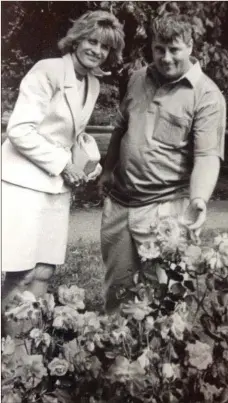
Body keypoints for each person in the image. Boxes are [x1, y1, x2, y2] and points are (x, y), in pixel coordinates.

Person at [1, 10, 125, 321]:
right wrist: (62, 163)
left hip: (56, 187)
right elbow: (19, 130)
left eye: (105, 47)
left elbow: (73, 134)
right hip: (23, 184)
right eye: (91, 41)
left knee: (43, 270)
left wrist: (88, 165)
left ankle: (24, 351)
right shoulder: (48, 71)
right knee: (21, 271)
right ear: (77, 39)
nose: (97, 50)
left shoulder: (92, 84)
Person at [99, 14, 226, 312]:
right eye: (159, 49)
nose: (165, 58)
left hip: (165, 209)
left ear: (191, 46)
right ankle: (118, 352)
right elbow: (121, 128)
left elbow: (207, 156)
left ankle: (160, 357)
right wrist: (107, 170)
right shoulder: (138, 77)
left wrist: (199, 199)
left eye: (175, 49)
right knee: (118, 293)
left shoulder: (207, 95)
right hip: (118, 204)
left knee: (165, 296)